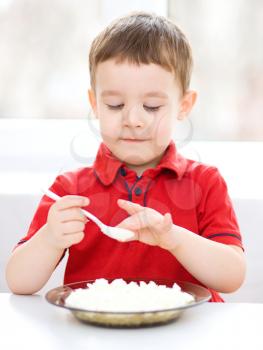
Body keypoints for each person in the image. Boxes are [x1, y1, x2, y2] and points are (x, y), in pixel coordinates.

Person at [5, 12, 246, 301]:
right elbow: (18, 282)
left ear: (184, 105)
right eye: (115, 105)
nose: (133, 119)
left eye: (152, 106)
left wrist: (174, 240)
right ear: (95, 103)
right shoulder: (69, 189)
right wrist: (50, 238)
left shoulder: (205, 182)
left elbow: (232, 276)